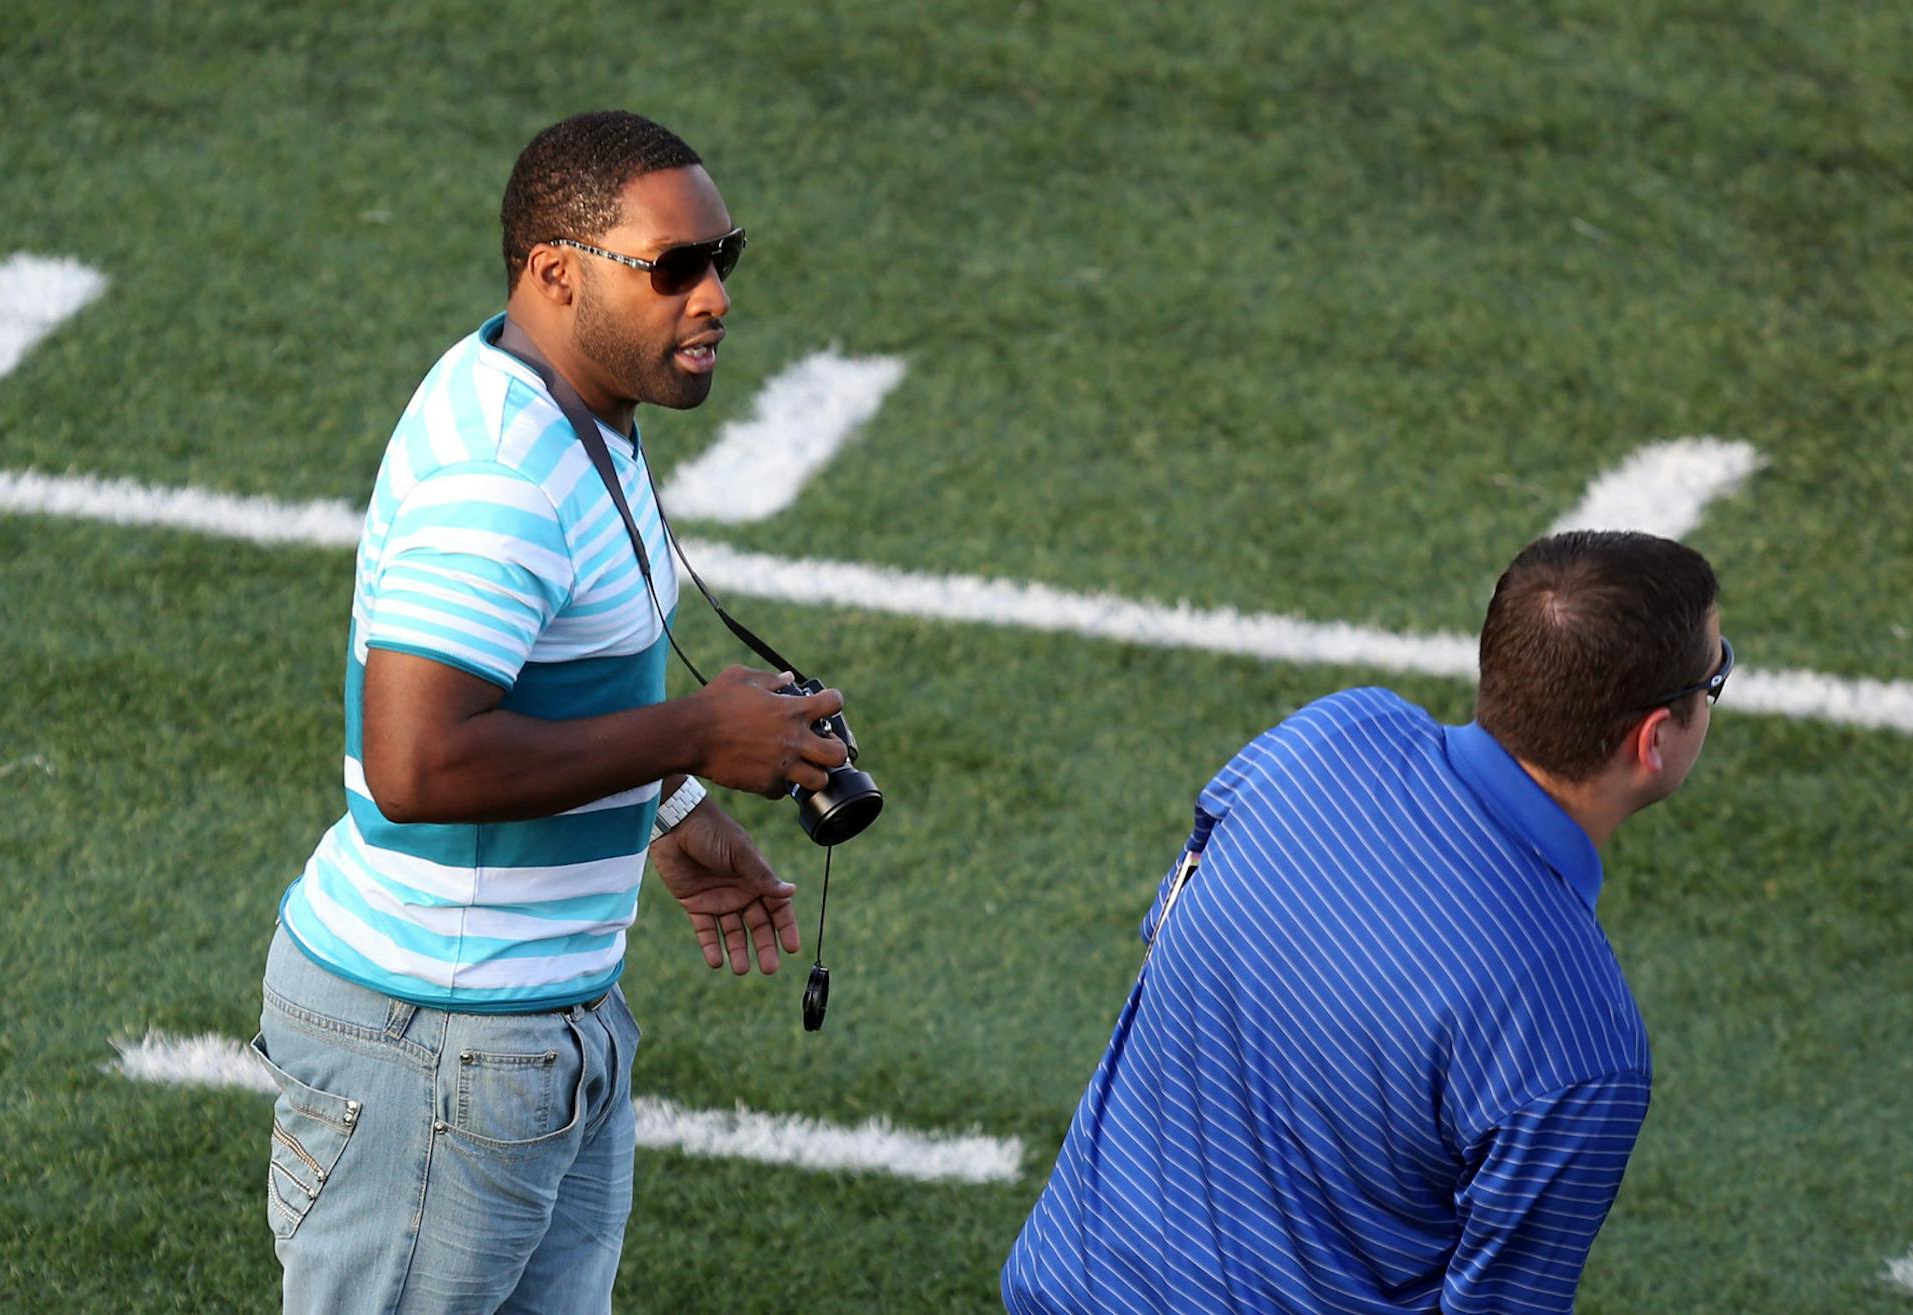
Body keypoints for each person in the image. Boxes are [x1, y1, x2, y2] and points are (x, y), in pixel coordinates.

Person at [251, 110, 850, 1313]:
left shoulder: (581, 411)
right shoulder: (499, 476)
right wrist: (691, 736)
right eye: (672, 268)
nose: (714, 297)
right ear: (556, 274)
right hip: (438, 1041)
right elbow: (418, 764)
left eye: (722, 258)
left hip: (534, 1025)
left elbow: (563, 675)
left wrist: (671, 812)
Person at [1002, 530, 1733, 1315]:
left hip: (1066, 1283)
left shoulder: (1331, 733)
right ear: (1655, 738)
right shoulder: (1579, 1036)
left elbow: (1170, 935)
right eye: (1715, 673)